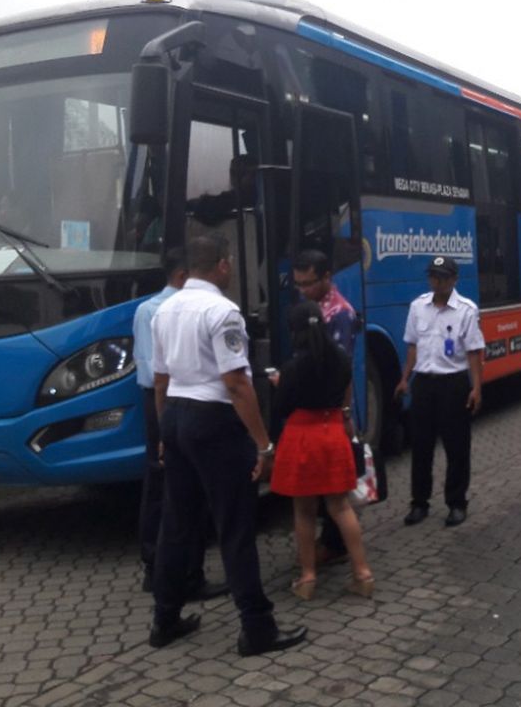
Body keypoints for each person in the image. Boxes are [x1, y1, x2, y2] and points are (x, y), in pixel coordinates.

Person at [148, 233, 306, 656]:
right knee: (235, 526)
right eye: (230, 261)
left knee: (177, 525)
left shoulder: (164, 310)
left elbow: (161, 381)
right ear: (220, 265)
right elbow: (236, 383)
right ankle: (257, 627)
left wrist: (165, 431)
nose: (232, 267)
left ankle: (164, 619)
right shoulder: (223, 311)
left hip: (177, 416)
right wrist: (263, 444)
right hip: (213, 421)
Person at [133, 248, 225, 601]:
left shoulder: (146, 310)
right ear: (185, 276)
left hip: (153, 402)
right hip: (182, 399)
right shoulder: (198, 308)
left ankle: (153, 566)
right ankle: (192, 574)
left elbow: (151, 370)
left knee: (157, 485)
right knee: (192, 489)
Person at [268, 301, 374, 600]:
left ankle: (308, 577)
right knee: (340, 507)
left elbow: (281, 408)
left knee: (303, 512)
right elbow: (345, 393)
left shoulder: (293, 368)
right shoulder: (340, 359)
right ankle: (363, 573)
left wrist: (280, 384)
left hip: (303, 437)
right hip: (333, 435)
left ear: (294, 332)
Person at [291, 249, 387, 569]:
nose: (303, 290)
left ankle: (336, 546)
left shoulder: (339, 313)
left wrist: (345, 414)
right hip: (315, 413)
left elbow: (341, 370)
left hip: (330, 413)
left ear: (327, 277)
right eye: (298, 284)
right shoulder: (311, 308)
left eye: (309, 283)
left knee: (337, 485)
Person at [394, 256, 484, 528]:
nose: (437, 281)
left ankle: (456, 503)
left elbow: (473, 351)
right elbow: (412, 346)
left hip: (453, 384)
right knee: (421, 446)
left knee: (457, 447)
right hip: (424, 383)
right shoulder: (418, 307)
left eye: (443, 277)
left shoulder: (466, 310)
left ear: (454, 280)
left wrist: (476, 387)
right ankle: (419, 503)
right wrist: (404, 379)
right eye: (434, 276)